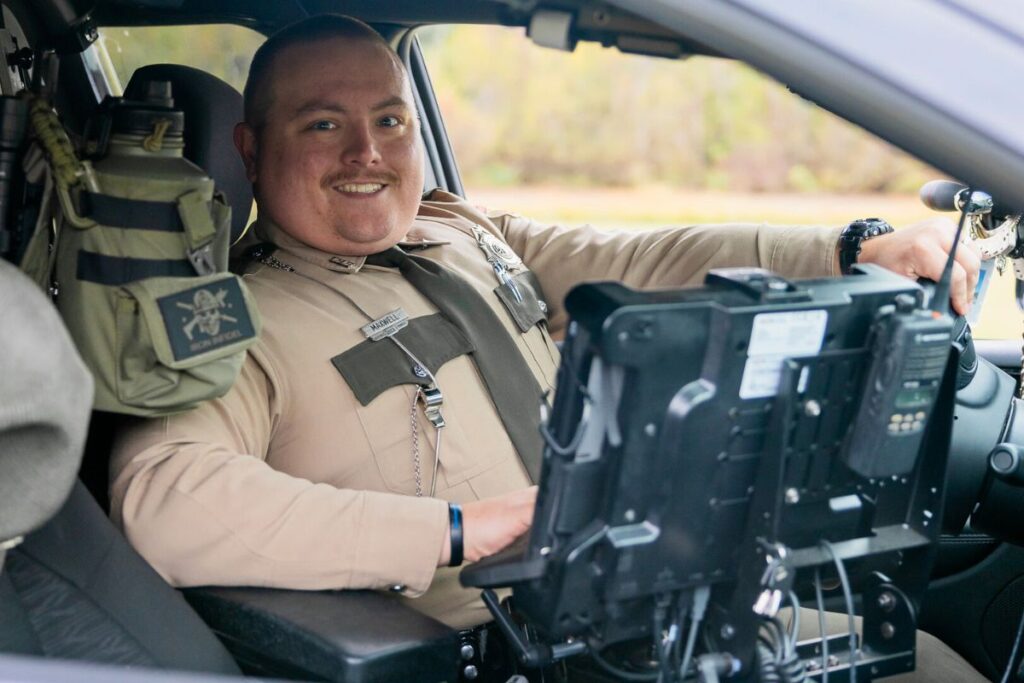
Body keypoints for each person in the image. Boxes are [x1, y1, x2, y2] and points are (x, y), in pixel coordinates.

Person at [110, 15, 984, 681]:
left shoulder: (456, 229)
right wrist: (459, 530)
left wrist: (850, 249)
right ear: (250, 150)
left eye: (391, 119)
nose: (368, 152)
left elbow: (637, 261)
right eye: (323, 126)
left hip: (659, 609)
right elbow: (164, 501)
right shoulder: (234, 320)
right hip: (520, 651)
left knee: (921, 656)